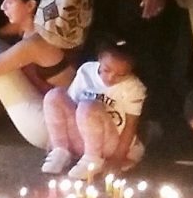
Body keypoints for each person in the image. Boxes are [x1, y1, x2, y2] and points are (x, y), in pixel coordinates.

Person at [41, 35, 148, 180]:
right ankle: (61, 151)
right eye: (107, 70)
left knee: (88, 106)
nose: (110, 78)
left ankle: (93, 159)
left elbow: (130, 126)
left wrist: (117, 158)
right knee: (54, 95)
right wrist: (54, 138)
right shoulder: (86, 71)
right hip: (82, 137)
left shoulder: (133, 87)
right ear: (99, 59)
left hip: (108, 143)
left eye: (120, 75)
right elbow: (70, 103)